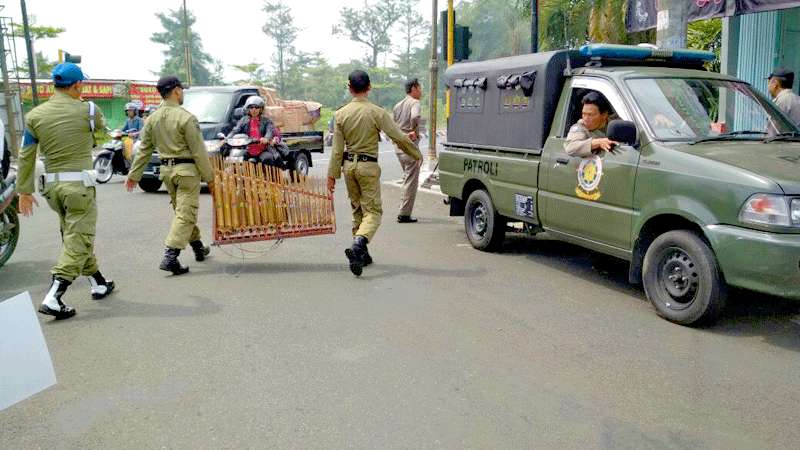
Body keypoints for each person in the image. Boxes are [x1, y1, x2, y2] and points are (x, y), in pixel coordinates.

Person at [16, 62, 115, 320]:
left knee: (74, 234)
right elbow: (104, 140)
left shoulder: (35, 116)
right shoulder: (89, 111)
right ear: (77, 85)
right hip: (78, 188)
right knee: (78, 237)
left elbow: (26, 155)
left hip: (52, 189)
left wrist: (24, 191)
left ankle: (99, 282)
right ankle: (54, 296)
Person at [327, 70, 422, 277]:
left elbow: (336, 149)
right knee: (374, 213)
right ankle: (359, 243)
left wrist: (332, 176)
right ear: (369, 87)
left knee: (357, 210)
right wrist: (416, 154)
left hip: (348, 166)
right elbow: (398, 136)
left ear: (350, 88)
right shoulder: (377, 112)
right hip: (367, 167)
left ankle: (362, 255)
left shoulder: (340, 114)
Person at [126, 76, 214, 275]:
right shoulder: (186, 118)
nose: (182, 93)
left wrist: (134, 175)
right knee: (185, 213)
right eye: (181, 90)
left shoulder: (152, 118)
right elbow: (199, 152)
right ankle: (170, 256)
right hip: (186, 173)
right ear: (176, 91)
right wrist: (210, 179)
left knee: (183, 211)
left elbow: (144, 150)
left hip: (167, 173)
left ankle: (198, 247)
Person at [393, 78, 424, 223]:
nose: (421, 90)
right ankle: (404, 214)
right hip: (410, 146)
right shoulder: (415, 103)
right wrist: (413, 130)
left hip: (398, 147)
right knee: (411, 181)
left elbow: (393, 125)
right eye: (420, 87)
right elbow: (415, 116)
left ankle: (402, 208)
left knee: (407, 178)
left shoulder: (397, 105)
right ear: (414, 88)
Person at [225, 96, 286, 168]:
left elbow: (270, 131)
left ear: (261, 109)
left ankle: (269, 177)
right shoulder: (243, 120)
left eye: (256, 107)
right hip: (247, 149)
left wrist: (266, 138)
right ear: (248, 109)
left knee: (267, 159)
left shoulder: (266, 121)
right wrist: (227, 138)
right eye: (251, 107)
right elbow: (235, 130)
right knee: (235, 158)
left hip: (263, 149)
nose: (254, 110)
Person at [564, 92, 619, 157]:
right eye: (583, 114)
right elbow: (570, 148)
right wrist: (598, 142)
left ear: (604, 115)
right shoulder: (580, 127)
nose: (585, 118)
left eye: (590, 115)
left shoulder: (616, 123)